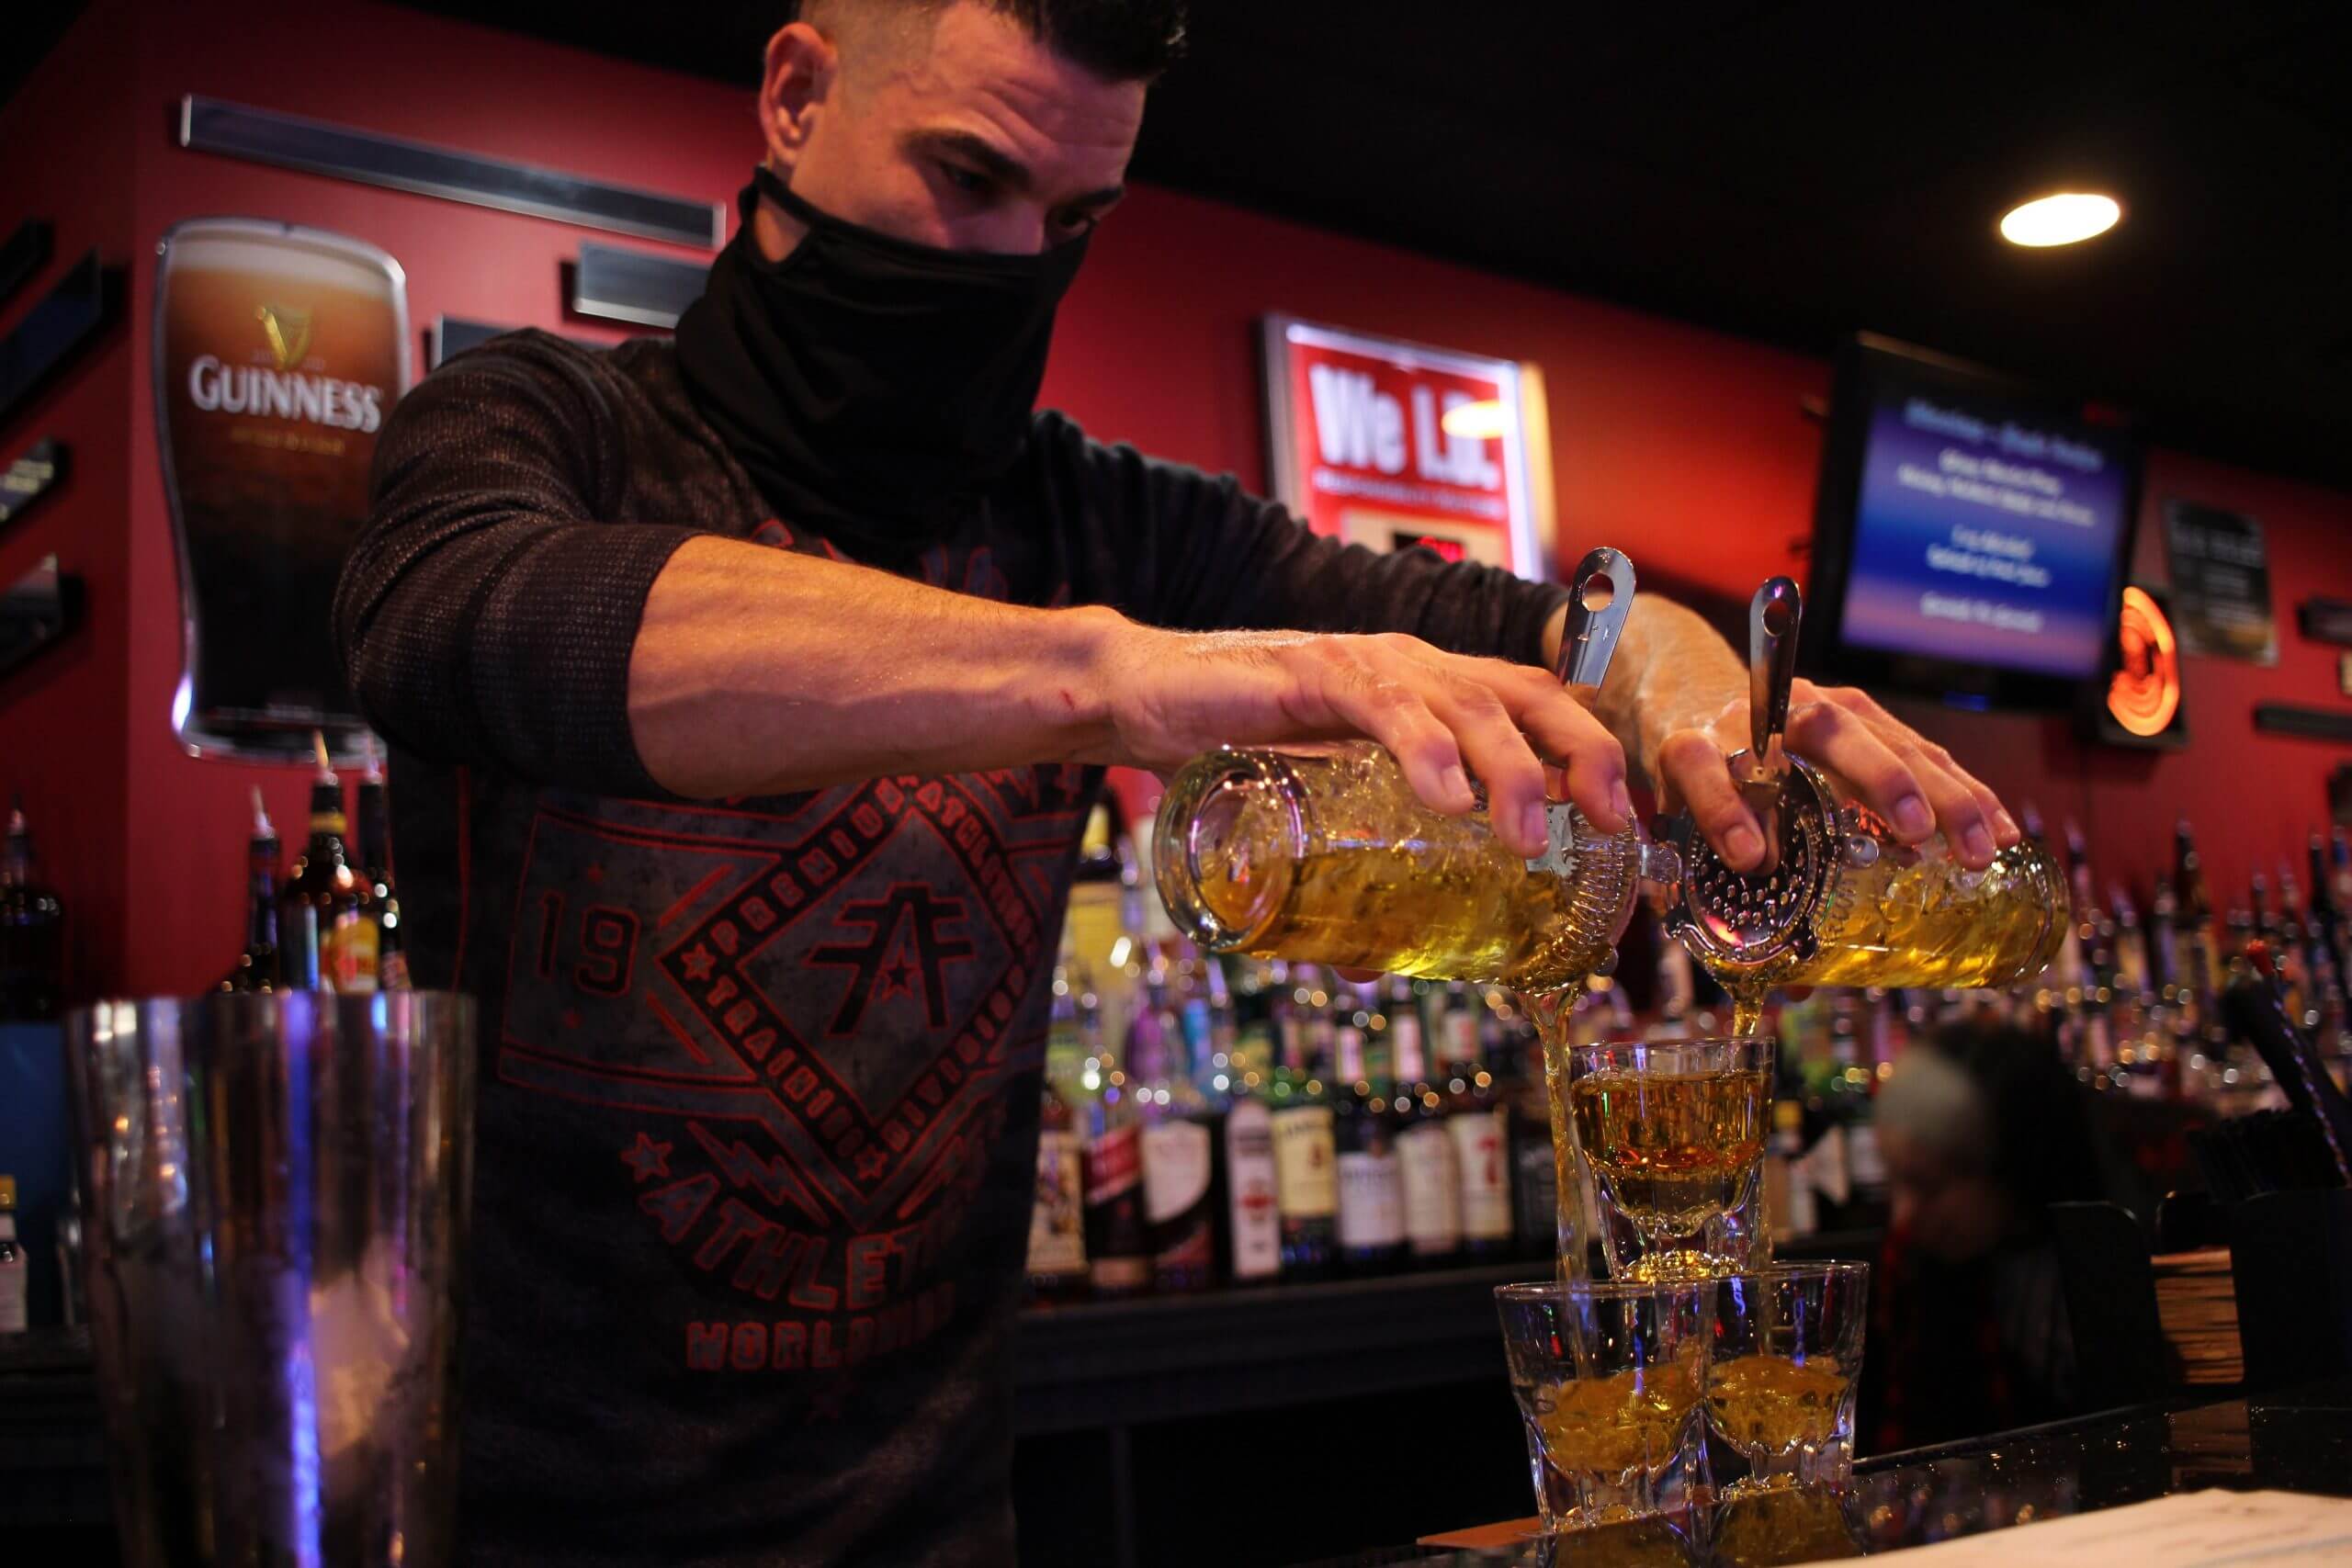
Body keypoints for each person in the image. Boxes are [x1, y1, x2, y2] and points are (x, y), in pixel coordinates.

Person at [334, 2, 2022, 1561]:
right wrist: (1113, 669)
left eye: (1071, 223)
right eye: (971, 175)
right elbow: (467, 617)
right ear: (795, 96)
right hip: (509, 1519)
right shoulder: (543, 425)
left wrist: (1697, 710)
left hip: (930, 1528)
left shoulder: (1102, 515)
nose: (1010, 260)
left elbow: (1585, 625)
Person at [1863, 1020, 2110, 1450]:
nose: (1903, 1214)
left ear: (2010, 1172)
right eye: (1894, 1183)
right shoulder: (1912, 1264)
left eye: (1927, 1185)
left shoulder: (2102, 1274)